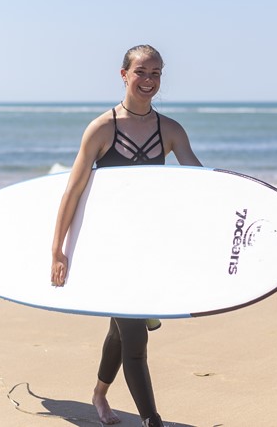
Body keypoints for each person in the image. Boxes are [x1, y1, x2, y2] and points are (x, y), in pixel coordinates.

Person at [50, 45, 201, 427]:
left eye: (156, 73)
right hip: (109, 251)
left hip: (150, 249)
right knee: (135, 338)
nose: (149, 80)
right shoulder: (102, 129)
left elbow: (200, 184)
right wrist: (58, 250)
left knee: (122, 329)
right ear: (124, 74)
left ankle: (99, 394)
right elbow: (73, 191)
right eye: (141, 72)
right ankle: (152, 420)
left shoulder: (170, 130)